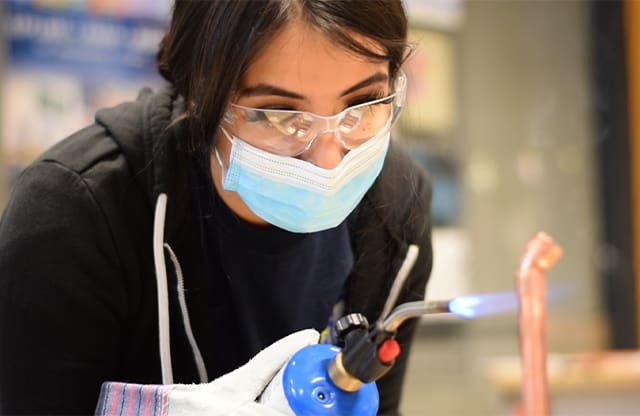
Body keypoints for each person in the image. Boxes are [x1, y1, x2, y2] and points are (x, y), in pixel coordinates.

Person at [0, 1, 433, 414]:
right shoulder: (76, 213)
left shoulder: (396, 207)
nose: (329, 162)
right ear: (199, 97)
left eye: (361, 104)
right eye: (279, 114)